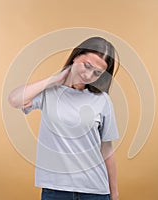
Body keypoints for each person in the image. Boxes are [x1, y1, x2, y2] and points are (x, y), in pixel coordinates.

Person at [8, 36, 120, 200]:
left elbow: (107, 150)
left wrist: (114, 194)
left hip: (95, 190)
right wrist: (55, 79)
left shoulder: (102, 100)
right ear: (76, 56)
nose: (88, 75)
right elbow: (14, 100)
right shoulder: (50, 92)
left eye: (97, 73)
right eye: (87, 66)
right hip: (56, 190)